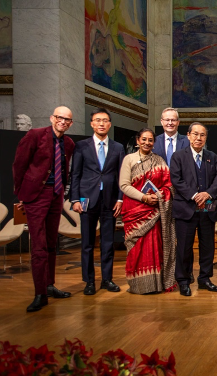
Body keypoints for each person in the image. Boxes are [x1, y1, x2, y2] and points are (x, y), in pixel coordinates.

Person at [13, 107, 74, 312]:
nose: (63, 121)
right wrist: (21, 195)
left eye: (67, 119)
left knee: (50, 243)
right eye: (59, 117)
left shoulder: (69, 143)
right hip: (36, 195)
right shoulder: (35, 135)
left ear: (71, 123)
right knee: (38, 246)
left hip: (56, 195)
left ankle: (49, 285)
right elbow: (19, 165)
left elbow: (64, 169)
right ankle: (40, 293)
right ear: (52, 118)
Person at [70, 108, 125, 295]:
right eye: (97, 120)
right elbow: (75, 174)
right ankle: (89, 281)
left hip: (110, 200)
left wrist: (120, 198)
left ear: (110, 124)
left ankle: (107, 279)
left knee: (108, 242)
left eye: (105, 120)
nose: (101, 123)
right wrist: (75, 199)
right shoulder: (81, 146)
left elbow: (121, 176)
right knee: (87, 243)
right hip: (87, 199)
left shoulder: (118, 147)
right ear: (92, 123)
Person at [119, 128, 176, 294]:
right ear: (138, 141)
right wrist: (143, 197)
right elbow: (124, 185)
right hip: (135, 210)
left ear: (154, 142)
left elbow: (168, 185)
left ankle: (156, 284)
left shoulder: (159, 161)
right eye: (144, 139)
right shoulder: (129, 159)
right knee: (136, 248)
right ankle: (139, 285)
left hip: (155, 211)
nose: (147, 143)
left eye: (150, 140)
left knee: (155, 247)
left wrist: (159, 196)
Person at [170, 123, 217, 297]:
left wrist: (208, 194)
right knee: (184, 247)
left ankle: (204, 278)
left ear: (206, 138)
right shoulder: (178, 157)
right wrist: (194, 195)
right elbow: (176, 180)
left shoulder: (212, 157)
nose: (198, 138)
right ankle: (183, 280)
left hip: (207, 210)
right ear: (188, 135)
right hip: (186, 209)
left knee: (207, 247)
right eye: (195, 134)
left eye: (202, 135)